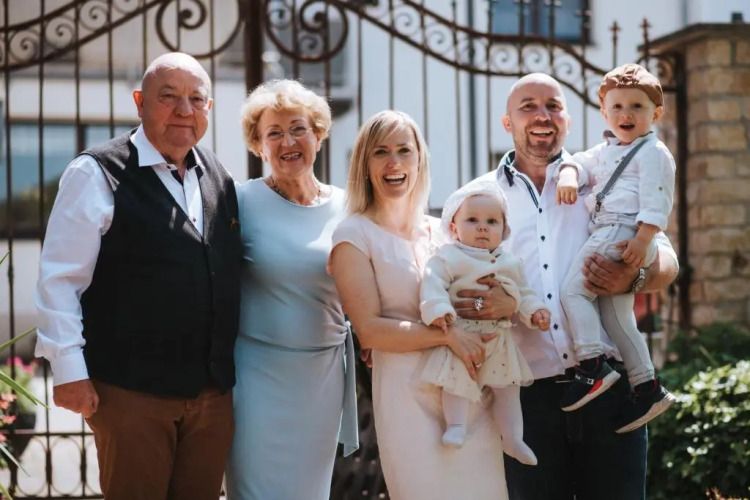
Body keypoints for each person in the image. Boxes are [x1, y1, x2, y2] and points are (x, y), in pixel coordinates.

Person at [34, 52, 241, 499]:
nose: (184, 110)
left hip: (210, 396)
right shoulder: (95, 172)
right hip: (131, 393)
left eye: (196, 99)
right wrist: (69, 371)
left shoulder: (218, 174)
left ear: (208, 109)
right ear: (140, 102)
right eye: (168, 97)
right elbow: (60, 280)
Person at [465, 73, 679, 500]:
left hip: (614, 395)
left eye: (553, 106)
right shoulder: (477, 200)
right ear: (507, 122)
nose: (542, 116)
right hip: (528, 402)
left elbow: (668, 263)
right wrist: (496, 304)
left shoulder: (606, 174)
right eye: (528, 106)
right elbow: (458, 286)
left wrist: (633, 276)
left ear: (569, 119)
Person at [329, 110, 509, 499]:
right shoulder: (353, 235)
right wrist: (447, 337)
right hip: (405, 399)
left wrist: (505, 302)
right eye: (381, 152)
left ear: (419, 159)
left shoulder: (443, 232)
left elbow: (481, 290)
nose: (394, 162)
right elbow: (370, 331)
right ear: (364, 164)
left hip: (468, 395)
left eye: (404, 150)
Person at [224, 79, 358, 500]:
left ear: (318, 134)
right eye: (274, 133)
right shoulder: (239, 202)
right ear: (258, 146)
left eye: (298, 128)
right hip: (256, 377)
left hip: (322, 378)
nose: (288, 142)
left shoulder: (348, 206)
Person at [555, 63, 676, 431]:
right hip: (617, 232)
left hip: (621, 230)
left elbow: (657, 199)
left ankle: (591, 365)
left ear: (656, 113)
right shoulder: (608, 149)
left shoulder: (653, 152)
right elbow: (578, 162)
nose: (626, 114)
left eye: (637, 107)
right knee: (617, 318)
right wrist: (568, 174)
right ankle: (647, 386)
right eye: (617, 106)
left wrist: (643, 239)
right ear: (604, 112)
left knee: (574, 291)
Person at [419, 180, 549, 466]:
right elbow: (432, 284)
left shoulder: (510, 262)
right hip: (462, 336)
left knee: (508, 390)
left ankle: (513, 439)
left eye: (491, 222)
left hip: (499, 339)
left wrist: (535, 310)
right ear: (454, 228)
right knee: (457, 381)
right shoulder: (448, 257)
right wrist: (439, 309)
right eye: (472, 220)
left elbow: (523, 293)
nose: (482, 227)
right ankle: (456, 426)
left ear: (504, 230)